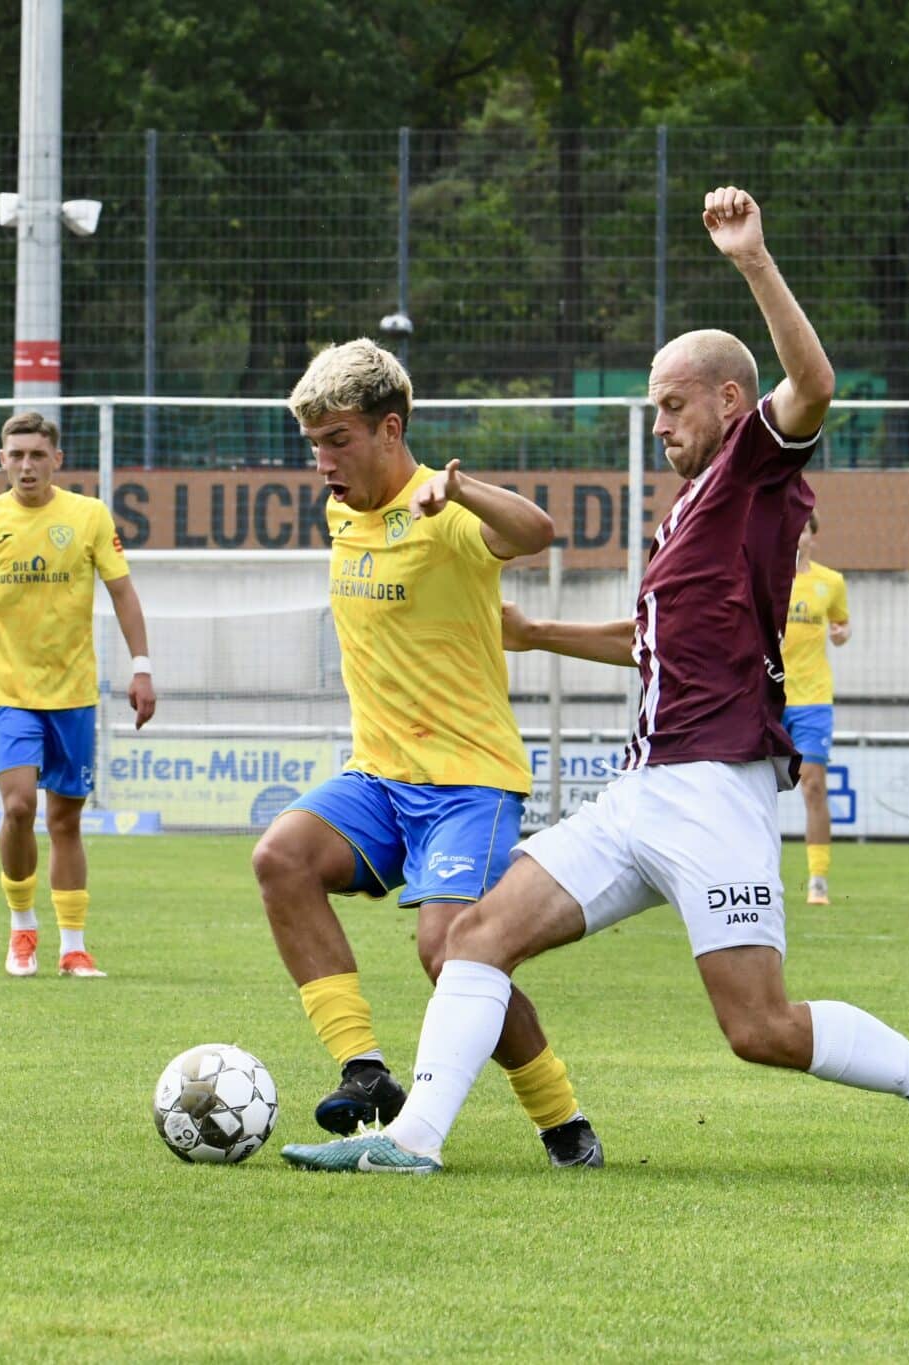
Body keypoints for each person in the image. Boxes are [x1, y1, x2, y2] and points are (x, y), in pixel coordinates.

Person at [283, 187, 909, 1178]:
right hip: (644, 786)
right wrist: (539, 633)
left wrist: (750, 260)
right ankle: (410, 1142)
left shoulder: (749, 468)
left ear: (726, 403)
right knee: (473, 937)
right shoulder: (690, 514)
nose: (656, 422)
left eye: (669, 403)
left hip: (711, 791)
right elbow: (651, 645)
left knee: (759, 1026)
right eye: (652, 405)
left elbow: (815, 382)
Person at [250, 339, 603, 1168]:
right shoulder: (344, 511)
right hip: (378, 774)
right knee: (281, 858)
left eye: (337, 441)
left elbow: (539, 532)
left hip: (467, 783)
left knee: (452, 951)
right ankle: (366, 1072)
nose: (323, 463)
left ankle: (562, 1121)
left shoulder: (443, 516)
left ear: (389, 430)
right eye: (314, 446)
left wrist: (463, 487)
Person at [0, 410, 156, 979]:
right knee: (18, 806)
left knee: (65, 823)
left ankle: (74, 947)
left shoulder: (88, 516)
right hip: (9, 692)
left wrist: (142, 667)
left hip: (74, 693)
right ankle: (22, 930)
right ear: (1, 460)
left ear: (57, 459)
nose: (26, 465)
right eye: (16, 455)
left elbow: (123, 593)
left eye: (37, 454)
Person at [783, 508, 850, 903]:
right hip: (766, 697)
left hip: (812, 700)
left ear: (812, 535)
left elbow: (842, 626)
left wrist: (842, 633)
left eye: (802, 528)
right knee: (750, 790)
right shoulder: (762, 577)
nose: (795, 535)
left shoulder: (831, 583)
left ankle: (818, 881)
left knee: (813, 786)